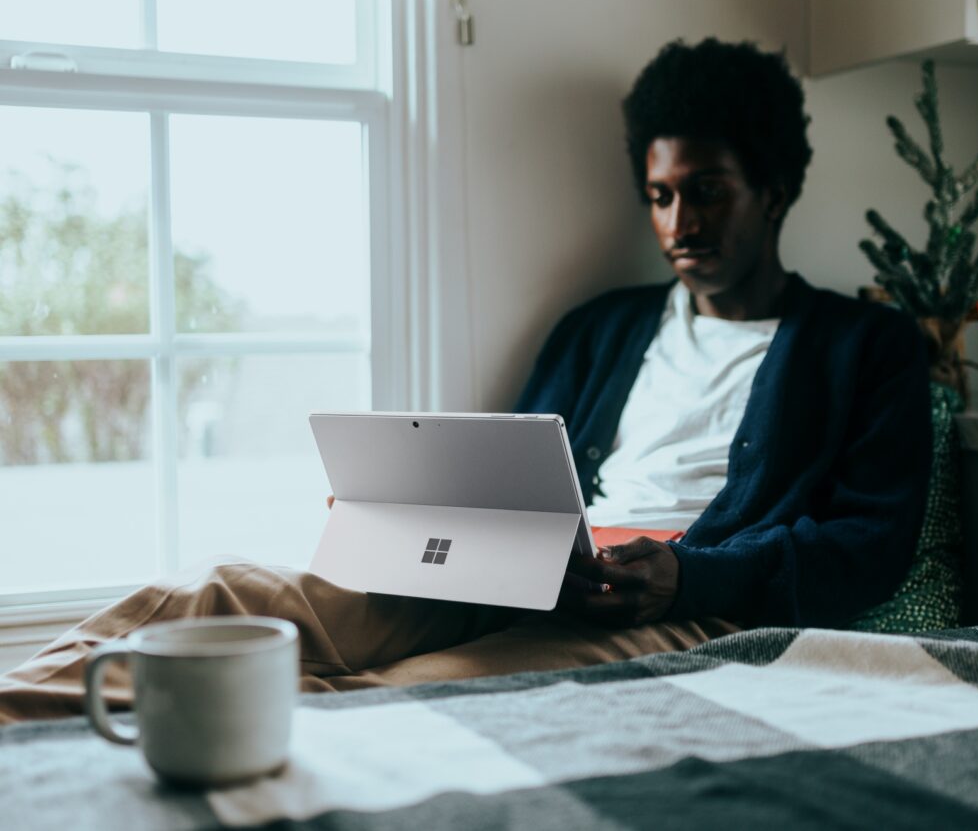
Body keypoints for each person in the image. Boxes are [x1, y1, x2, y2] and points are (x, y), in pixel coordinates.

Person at [0, 38, 930, 725]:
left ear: (774, 186)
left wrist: (688, 575)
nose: (680, 220)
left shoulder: (867, 346)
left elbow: (868, 548)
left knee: (403, 700)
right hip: (531, 572)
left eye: (709, 189)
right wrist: (409, 511)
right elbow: (517, 477)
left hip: (676, 603)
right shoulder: (600, 327)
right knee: (220, 595)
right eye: (659, 195)